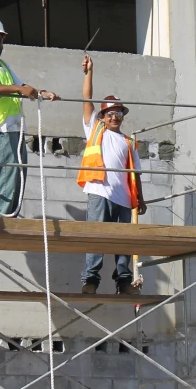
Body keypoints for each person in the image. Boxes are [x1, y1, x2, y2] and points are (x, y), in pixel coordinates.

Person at [0, 16, 59, 216]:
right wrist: (19, 89)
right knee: (5, 176)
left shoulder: (2, 65)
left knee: (17, 175)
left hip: (13, 129)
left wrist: (42, 93)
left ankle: (8, 214)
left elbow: (23, 86)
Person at [77, 56, 147, 295]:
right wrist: (89, 73)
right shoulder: (95, 129)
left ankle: (124, 281)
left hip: (124, 198)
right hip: (100, 191)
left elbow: (135, 173)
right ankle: (91, 280)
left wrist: (141, 199)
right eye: (110, 114)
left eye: (118, 113)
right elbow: (87, 100)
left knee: (123, 241)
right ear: (102, 117)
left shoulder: (129, 141)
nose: (114, 117)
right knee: (97, 237)